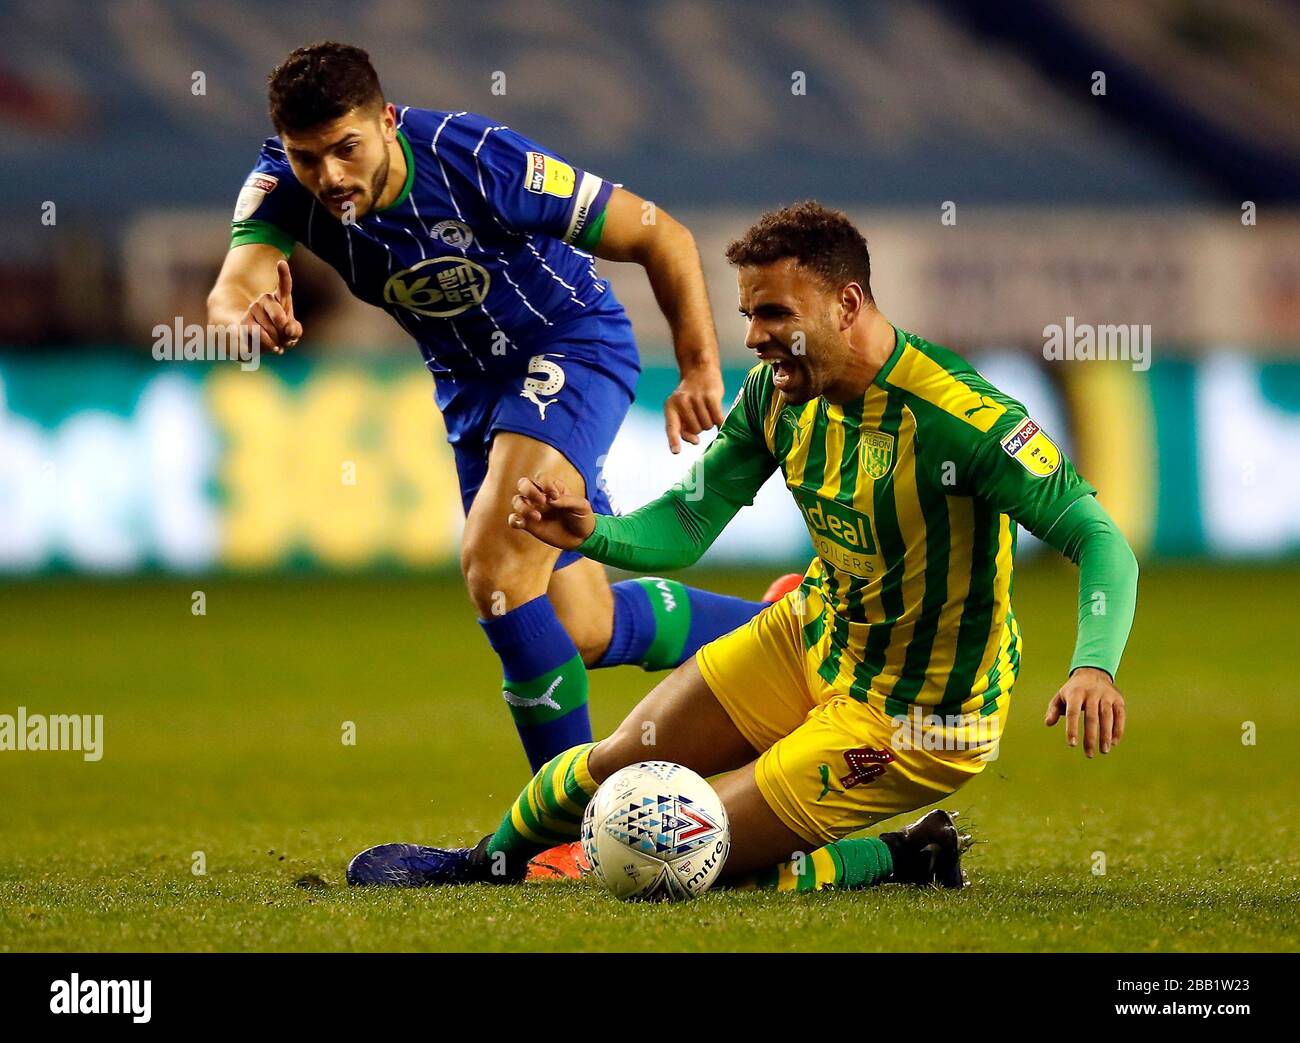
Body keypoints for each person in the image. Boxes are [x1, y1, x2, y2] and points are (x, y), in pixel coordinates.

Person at [347, 201, 1138, 892]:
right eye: (749, 315)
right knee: (613, 761)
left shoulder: (961, 419)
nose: (754, 338)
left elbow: (1098, 538)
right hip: (811, 636)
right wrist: (596, 533)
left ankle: (901, 856)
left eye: (773, 316)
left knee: (682, 854)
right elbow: (689, 521)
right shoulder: (777, 396)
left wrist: (1094, 663)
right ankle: (488, 861)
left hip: (916, 717)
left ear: (847, 303)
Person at [206, 42, 790, 772]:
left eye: (345, 148)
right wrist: (246, 320)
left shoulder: (479, 159)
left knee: (496, 570)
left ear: (386, 122)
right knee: (583, 625)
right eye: (306, 156)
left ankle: (566, 830)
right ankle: (788, 631)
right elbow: (235, 284)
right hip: (470, 390)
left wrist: (700, 366)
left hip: (570, 347)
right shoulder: (280, 183)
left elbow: (657, 233)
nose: (328, 175)